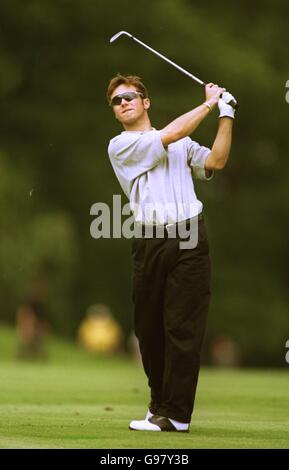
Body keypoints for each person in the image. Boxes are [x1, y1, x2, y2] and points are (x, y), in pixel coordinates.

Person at [107, 74, 235, 432]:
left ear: (146, 102)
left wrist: (227, 116)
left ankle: (176, 414)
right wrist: (210, 102)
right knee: (149, 330)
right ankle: (159, 404)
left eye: (130, 96)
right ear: (116, 113)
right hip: (148, 239)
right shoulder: (120, 145)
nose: (124, 103)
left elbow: (217, 161)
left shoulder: (182, 141)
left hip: (189, 236)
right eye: (117, 101)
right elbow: (170, 135)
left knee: (182, 327)